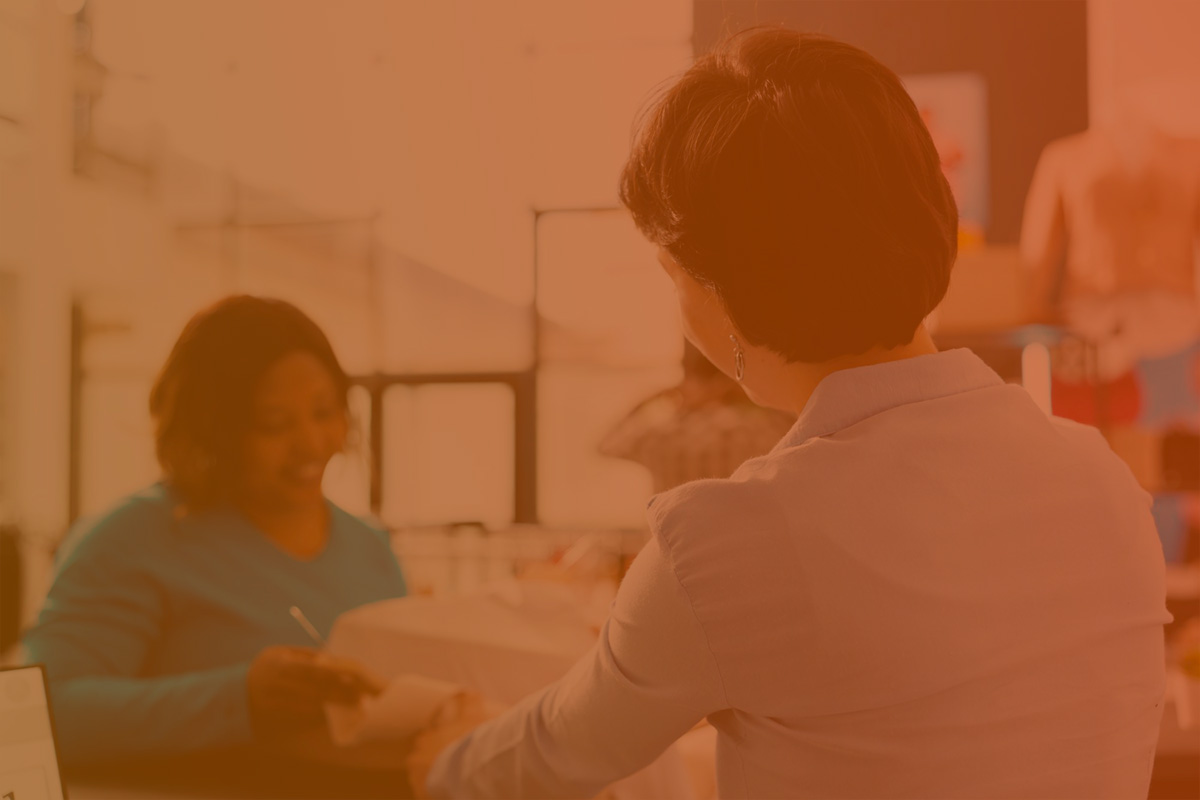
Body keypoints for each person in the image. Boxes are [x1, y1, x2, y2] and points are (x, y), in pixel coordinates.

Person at [407, 27, 1171, 799]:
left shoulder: (727, 542)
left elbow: (556, 753)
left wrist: (440, 760)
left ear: (725, 290)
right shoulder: (1103, 484)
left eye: (673, 277)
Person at [23, 295, 408, 768]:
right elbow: (43, 713)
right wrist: (238, 701)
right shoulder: (133, 540)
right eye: (274, 424)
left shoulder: (371, 548)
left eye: (325, 411)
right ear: (214, 428)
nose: (311, 443)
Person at [599, 340, 795, 492]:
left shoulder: (663, 434)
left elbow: (607, 444)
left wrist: (650, 398)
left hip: (677, 534)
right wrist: (751, 392)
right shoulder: (764, 431)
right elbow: (803, 428)